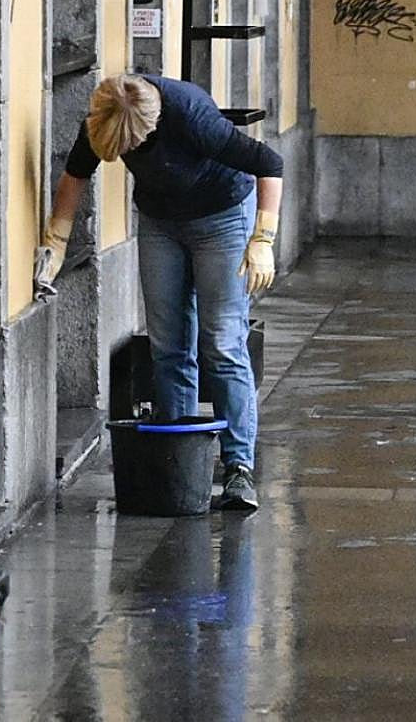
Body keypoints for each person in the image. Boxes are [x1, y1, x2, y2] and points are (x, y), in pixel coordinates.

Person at [36, 74, 284, 511]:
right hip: (160, 223)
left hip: (222, 217)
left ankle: (238, 468)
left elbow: (269, 163)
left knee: (222, 342)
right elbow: (75, 175)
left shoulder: (190, 115)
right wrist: (55, 242)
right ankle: (178, 457)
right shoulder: (106, 114)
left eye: (132, 147)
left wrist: (262, 238)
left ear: (149, 126)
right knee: (168, 344)